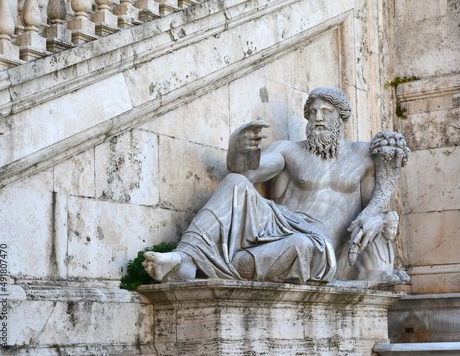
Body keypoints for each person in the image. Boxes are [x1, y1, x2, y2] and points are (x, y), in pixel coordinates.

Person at [142, 87, 409, 284]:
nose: (318, 118)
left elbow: (372, 207)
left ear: (341, 118)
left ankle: (215, 265)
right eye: (313, 112)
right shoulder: (289, 150)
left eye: (326, 112)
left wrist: (375, 219)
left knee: (302, 245)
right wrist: (237, 150)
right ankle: (184, 258)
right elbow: (248, 172)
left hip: (319, 242)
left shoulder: (361, 156)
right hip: (278, 225)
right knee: (236, 181)